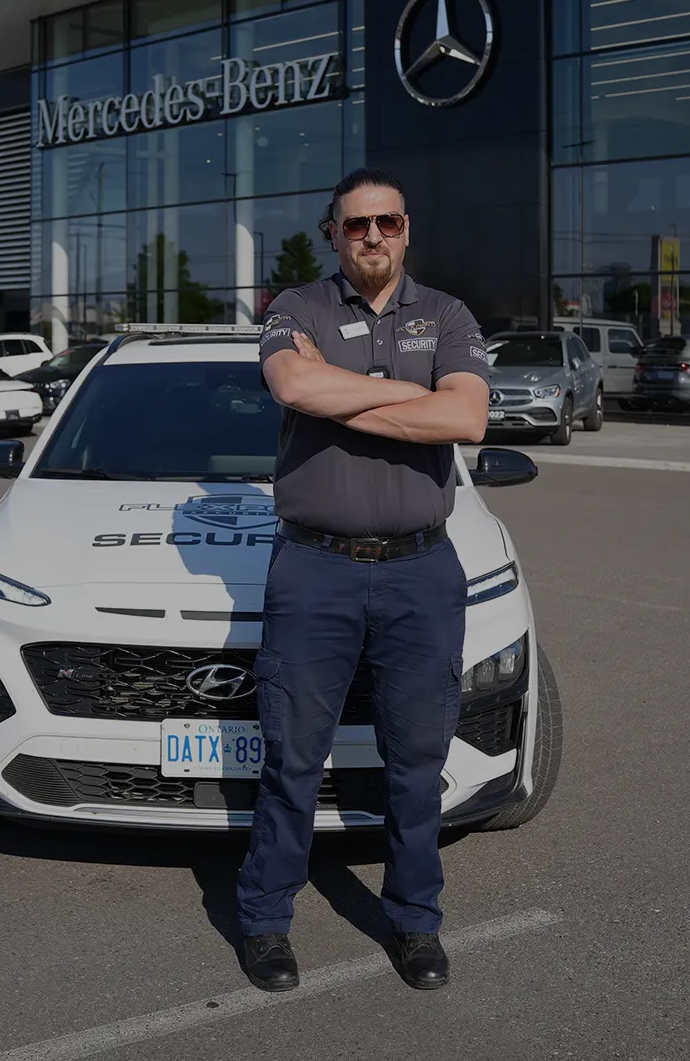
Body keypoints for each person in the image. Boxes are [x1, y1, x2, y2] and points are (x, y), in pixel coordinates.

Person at [236, 167, 491, 993]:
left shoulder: (447, 315)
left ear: (406, 229)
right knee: (293, 758)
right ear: (334, 235)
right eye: (355, 226)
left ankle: (416, 923)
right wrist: (401, 399)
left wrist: (342, 399)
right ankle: (267, 920)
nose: (372, 236)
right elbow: (293, 384)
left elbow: (466, 417)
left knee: (417, 762)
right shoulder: (296, 311)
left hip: (423, 571)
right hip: (315, 570)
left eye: (385, 222)